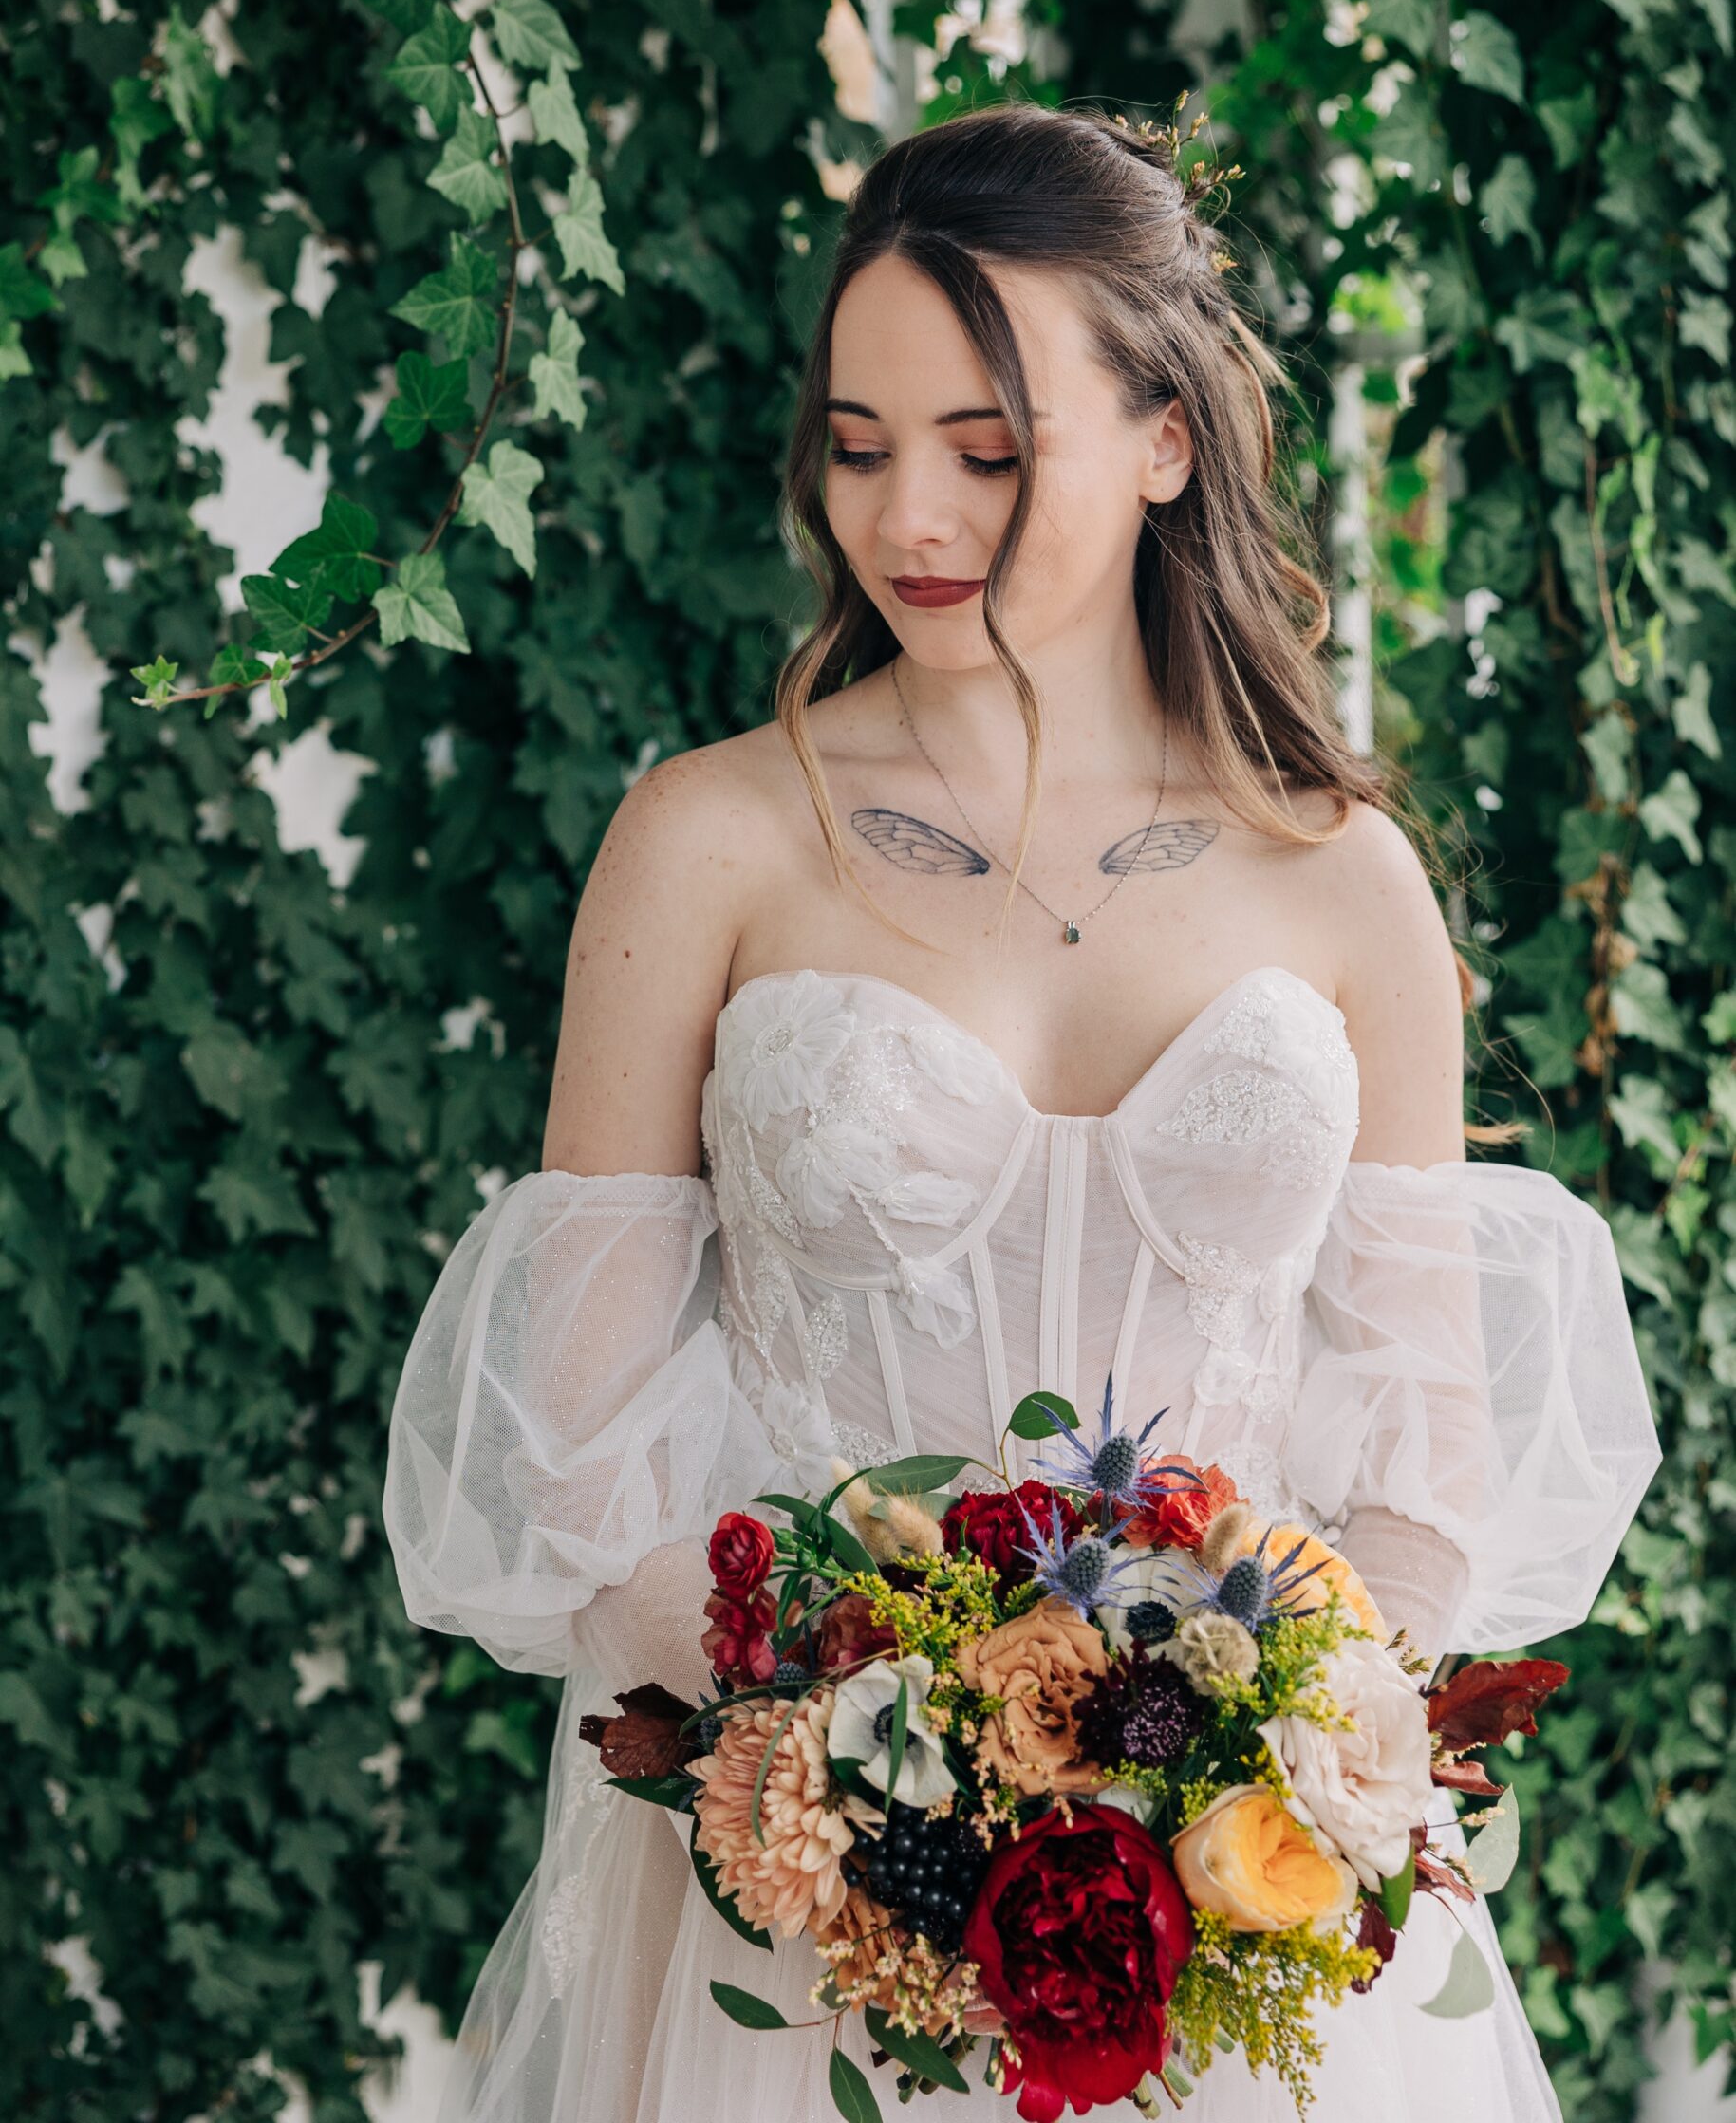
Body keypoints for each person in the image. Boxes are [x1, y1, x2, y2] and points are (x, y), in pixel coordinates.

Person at [383, 102, 1660, 2122]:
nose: (909, 514)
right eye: (860, 438)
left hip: (1245, 1931)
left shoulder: (1343, 877)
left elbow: (1426, 1477)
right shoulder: (706, 838)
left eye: (986, 448)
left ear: (1165, 440)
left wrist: (1240, 1777)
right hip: (799, 1902)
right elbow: (576, 1448)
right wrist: (875, 1779)